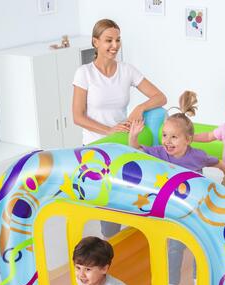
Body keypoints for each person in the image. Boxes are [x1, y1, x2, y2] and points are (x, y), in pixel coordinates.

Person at [129, 91, 225, 285]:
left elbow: (212, 160)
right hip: (175, 209)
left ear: (188, 140)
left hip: (197, 207)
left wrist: (224, 167)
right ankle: (171, 282)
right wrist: (133, 135)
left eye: (174, 137)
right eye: (164, 135)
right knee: (175, 247)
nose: (167, 141)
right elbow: (136, 150)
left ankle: (198, 277)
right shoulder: (160, 152)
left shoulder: (197, 156)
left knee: (199, 244)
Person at [72, 19, 167, 238]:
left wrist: (140, 108)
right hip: (97, 147)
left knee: (132, 199)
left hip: (123, 144)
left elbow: (160, 97)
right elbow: (78, 116)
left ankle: (135, 239)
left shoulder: (127, 70)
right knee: (109, 216)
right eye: (108, 40)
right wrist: (108, 131)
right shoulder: (84, 73)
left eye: (117, 40)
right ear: (95, 42)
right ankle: (110, 243)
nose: (114, 45)